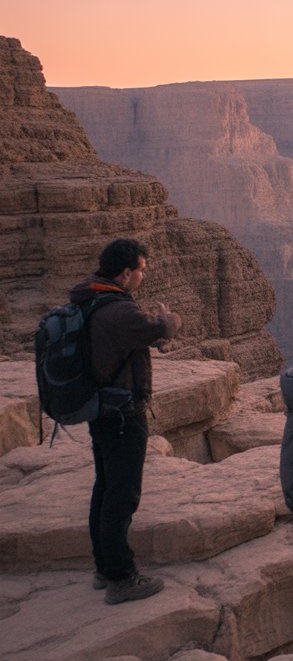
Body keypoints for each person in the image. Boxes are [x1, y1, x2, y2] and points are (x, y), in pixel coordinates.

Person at [69, 238, 182, 605]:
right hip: (122, 414)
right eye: (142, 271)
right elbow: (161, 329)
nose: (143, 277)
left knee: (105, 488)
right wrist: (169, 321)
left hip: (102, 411)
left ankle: (104, 567)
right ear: (126, 273)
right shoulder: (118, 311)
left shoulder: (91, 297)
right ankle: (121, 578)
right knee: (123, 494)